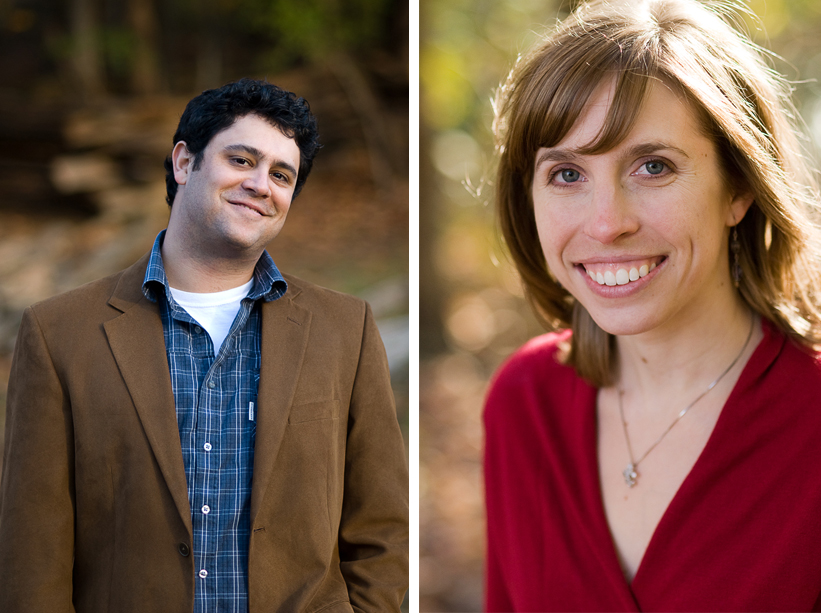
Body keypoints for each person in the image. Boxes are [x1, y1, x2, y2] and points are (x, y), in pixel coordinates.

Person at [0, 78, 408, 612]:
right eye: (242, 160)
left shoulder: (345, 328)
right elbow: (33, 553)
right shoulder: (58, 334)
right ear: (184, 163)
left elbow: (381, 525)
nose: (261, 184)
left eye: (281, 175)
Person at [484, 0, 821, 610]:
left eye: (653, 166)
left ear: (738, 188)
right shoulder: (523, 404)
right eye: (566, 174)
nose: (608, 223)